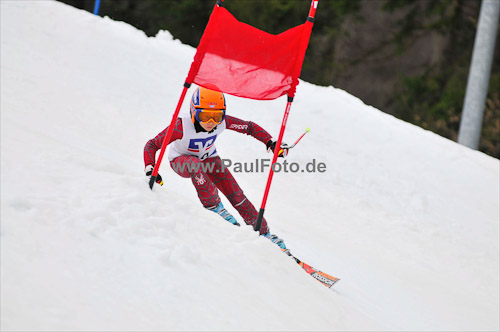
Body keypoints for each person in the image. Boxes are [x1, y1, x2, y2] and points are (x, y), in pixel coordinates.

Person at [144, 87, 289, 251]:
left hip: (209, 158)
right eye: (205, 116)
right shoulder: (181, 126)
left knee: (236, 194)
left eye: (217, 116)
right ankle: (215, 208)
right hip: (180, 161)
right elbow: (152, 145)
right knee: (194, 164)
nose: (211, 122)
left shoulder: (224, 122)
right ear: (193, 112)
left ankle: (263, 233)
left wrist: (271, 142)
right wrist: (150, 168)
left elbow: (249, 127)